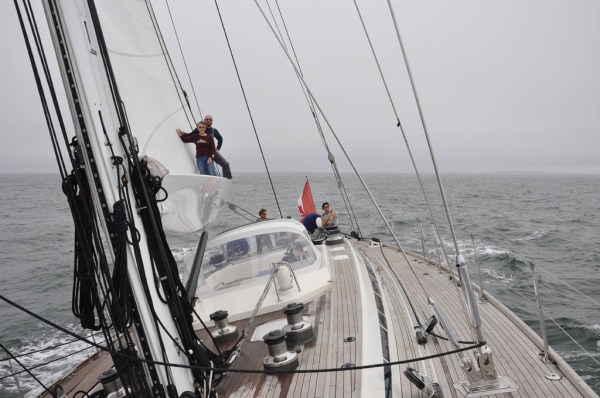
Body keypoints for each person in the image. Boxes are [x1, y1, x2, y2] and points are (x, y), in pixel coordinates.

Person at [204, 114, 232, 179]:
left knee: (226, 165)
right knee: (208, 172)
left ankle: (227, 180)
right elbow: (191, 135)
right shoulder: (200, 128)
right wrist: (183, 135)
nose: (208, 120)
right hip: (203, 153)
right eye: (207, 119)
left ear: (212, 121)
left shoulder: (214, 130)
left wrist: (218, 148)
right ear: (204, 120)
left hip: (213, 152)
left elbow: (220, 139)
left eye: (210, 119)